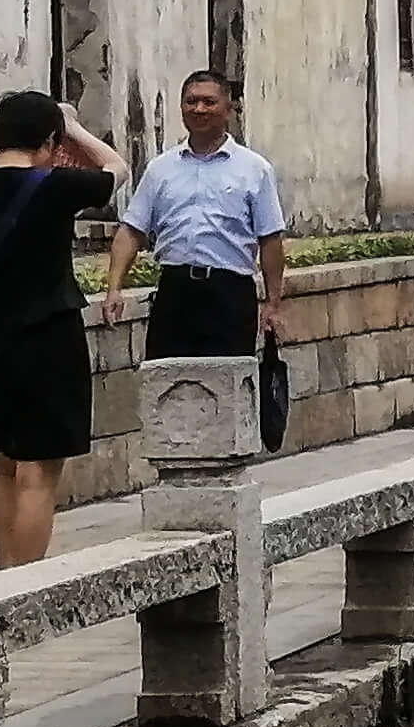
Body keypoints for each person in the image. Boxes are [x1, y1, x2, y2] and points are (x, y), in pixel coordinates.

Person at [0, 90, 127, 569]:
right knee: (38, 471)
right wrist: (75, 129)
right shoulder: (58, 186)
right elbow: (117, 170)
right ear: (48, 141)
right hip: (47, 336)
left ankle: (4, 575)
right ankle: (26, 585)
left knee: (2, 464)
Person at [110, 69, 293, 452]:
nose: (199, 108)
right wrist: (114, 287)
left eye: (209, 101)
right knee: (167, 381)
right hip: (175, 290)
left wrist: (274, 304)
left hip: (229, 292)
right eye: (191, 101)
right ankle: (174, 463)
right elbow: (132, 230)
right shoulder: (161, 169)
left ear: (229, 109)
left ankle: (226, 467)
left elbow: (270, 241)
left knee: (227, 385)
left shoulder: (253, 169)